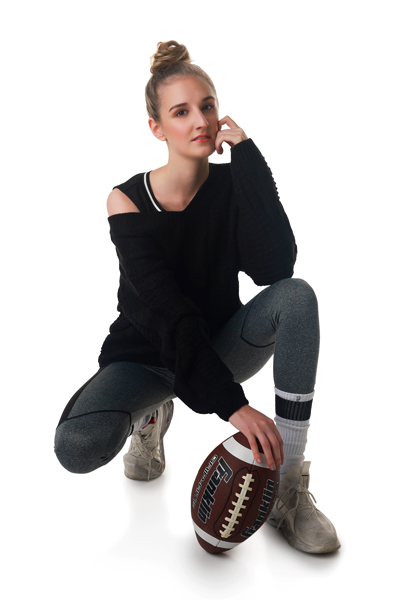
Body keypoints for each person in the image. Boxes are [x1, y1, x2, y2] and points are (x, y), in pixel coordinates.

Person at [54, 40, 340, 555]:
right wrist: (233, 406)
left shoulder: (232, 184)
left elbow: (275, 269)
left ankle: (287, 488)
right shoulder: (125, 200)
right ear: (157, 128)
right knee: (77, 447)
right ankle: (151, 414)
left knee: (297, 297)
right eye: (181, 111)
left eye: (207, 106)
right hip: (145, 358)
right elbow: (167, 310)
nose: (201, 120)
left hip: (219, 346)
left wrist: (248, 159)